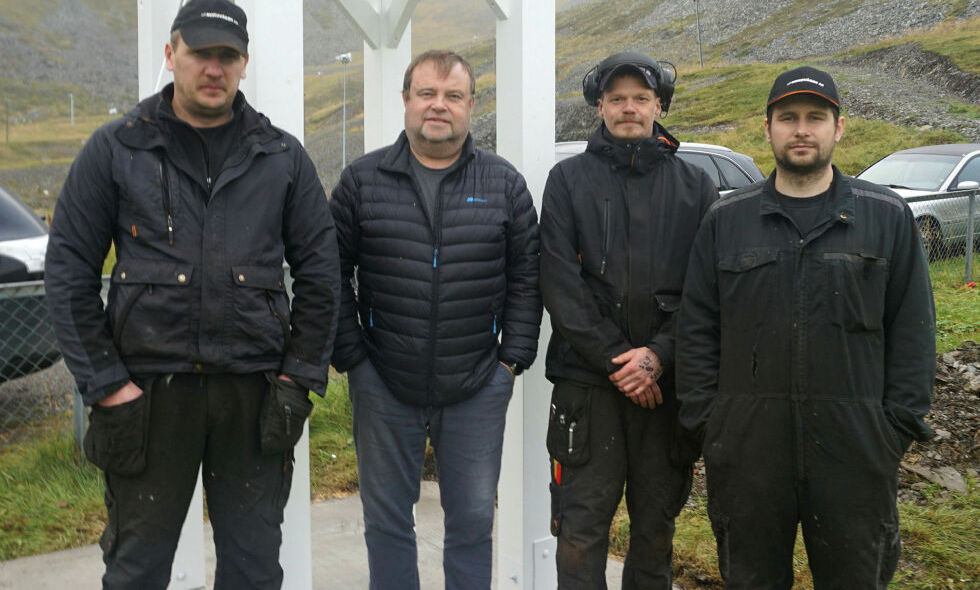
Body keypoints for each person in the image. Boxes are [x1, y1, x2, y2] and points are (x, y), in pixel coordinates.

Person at [44, 0, 340, 589]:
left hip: (253, 398)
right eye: (200, 52)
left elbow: (322, 276)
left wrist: (297, 380)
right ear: (171, 54)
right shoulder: (116, 150)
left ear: (244, 64)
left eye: (227, 56)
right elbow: (68, 269)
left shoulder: (283, 158)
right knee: (135, 571)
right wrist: (106, 385)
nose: (213, 68)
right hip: (147, 398)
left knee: (254, 570)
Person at [676, 66, 935, 588]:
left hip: (856, 458)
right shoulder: (727, 221)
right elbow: (697, 329)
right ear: (767, 128)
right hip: (748, 456)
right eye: (787, 117)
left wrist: (892, 431)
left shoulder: (885, 217)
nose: (801, 129)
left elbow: (912, 333)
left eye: (816, 117)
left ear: (838, 129)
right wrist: (713, 425)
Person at [329, 49, 542, 590]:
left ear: (472, 105)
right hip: (383, 382)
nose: (438, 106)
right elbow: (331, 274)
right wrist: (354, 358)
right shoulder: (360, 181)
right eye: (427, 93)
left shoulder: (504, 184)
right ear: (406, 100)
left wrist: (510, 363)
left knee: (472, 522)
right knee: (386, 522)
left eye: (452, 96)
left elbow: (526, 278)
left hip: (476, 383)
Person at [539, 51, 719, 589]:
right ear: (599, 106)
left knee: (655, 536)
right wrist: (623, 362)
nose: (628, 108)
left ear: (658, 104)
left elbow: (707, 293)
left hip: (665, 394)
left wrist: (659, 357)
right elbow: (558, 284)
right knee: (578, 534)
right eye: (616, 98)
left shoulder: (696, 186)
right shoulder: (567, 180)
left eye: (640, 98)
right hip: (587, 390)